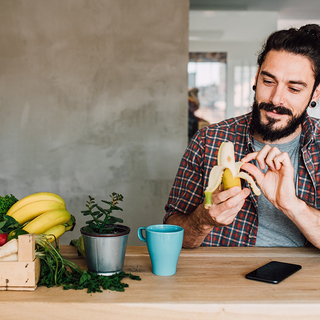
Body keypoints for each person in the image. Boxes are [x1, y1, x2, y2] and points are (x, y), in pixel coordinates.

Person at [164, 24, 320, 249]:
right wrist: (204, 220)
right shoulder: (208, 139)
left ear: (315, 92)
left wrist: (292, 206)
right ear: (256, 77)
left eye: (294, 89)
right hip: (221, 280)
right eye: (268, 81)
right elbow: (172, 233)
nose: (276, 99)